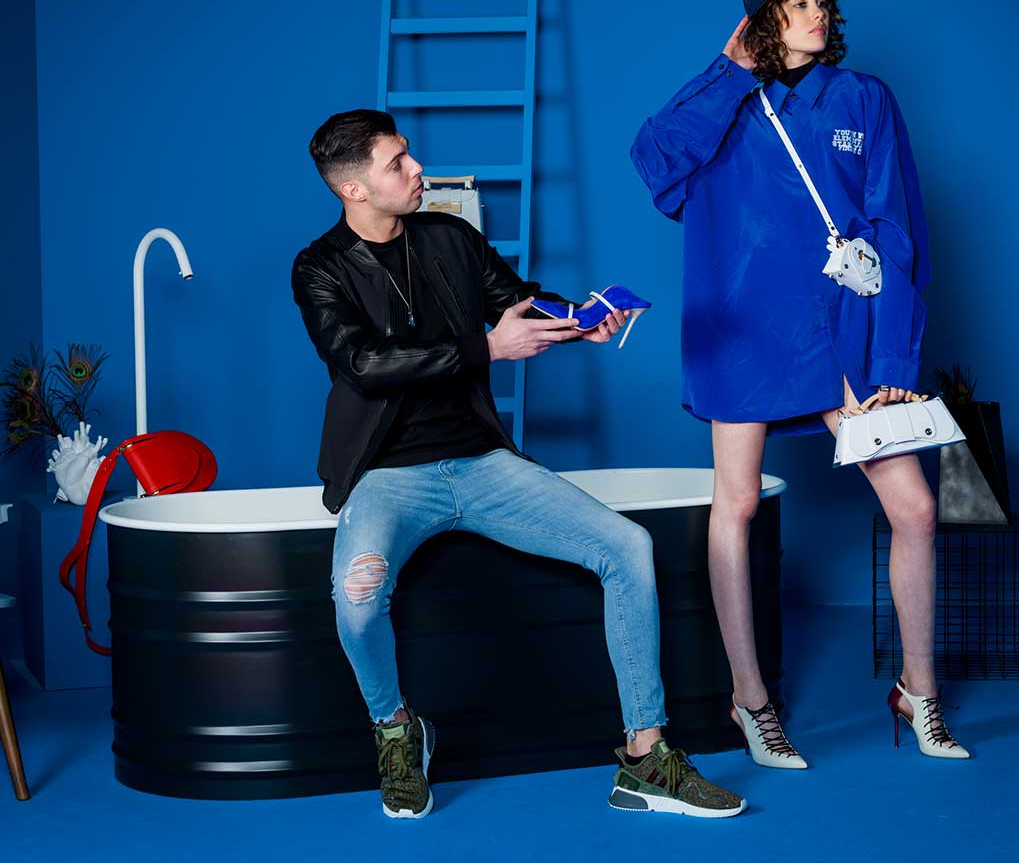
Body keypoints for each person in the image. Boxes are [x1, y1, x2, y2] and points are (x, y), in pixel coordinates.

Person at [292, 109, 748, 819]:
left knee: (628, 545)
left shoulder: (449, 237)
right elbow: (361, 364)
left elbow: (516, 301)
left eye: (409, 154)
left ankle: (644, 757)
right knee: (356, 598)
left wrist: (580, 318)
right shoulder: (319, 267)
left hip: (481, 462)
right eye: (397, 163)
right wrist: (486, 348)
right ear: (353, 188)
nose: (417, 168)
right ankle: (397, 729)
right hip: (386, 475)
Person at [630, 0, 970, 766]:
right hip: (742, 330)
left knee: (915, 508)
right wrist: (727, 71)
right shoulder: (726, 101)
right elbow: (654, 161)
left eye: (821, 1)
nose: (817, 13)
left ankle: (919, 689)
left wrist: (894, 348)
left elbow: (898, 228)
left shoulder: (864, 99)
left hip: (839, 328)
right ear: (760, 23)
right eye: (796, 4)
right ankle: (751, 699)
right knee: (737, 502)